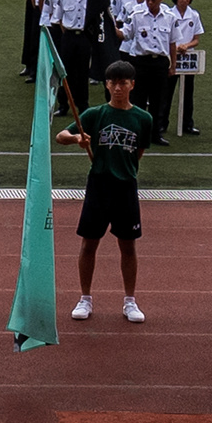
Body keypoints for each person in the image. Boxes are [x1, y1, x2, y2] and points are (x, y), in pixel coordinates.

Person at [59, 58, 162, 322]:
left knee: (128, 245)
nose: (118, 88)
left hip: (126, 186)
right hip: (99, 185)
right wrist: (77, 138)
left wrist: (124, 168)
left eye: (123, 83)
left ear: (132, 85)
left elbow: (138, 152)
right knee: (89, 243)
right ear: (106, 84)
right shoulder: (95, 114)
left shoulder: (143, 119)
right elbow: (61, 136)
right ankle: (85, 298)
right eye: (113, 83)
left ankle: (130, 301)